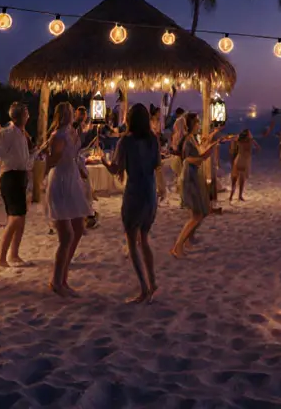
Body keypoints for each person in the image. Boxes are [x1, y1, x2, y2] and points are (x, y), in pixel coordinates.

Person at [102, 103, 160, 303]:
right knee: (144, 238)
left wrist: (103, 161)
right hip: (150, 193)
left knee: (132, 240)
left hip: (135, 193)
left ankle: (144, 288)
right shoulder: (153, 140)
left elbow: (115, 168)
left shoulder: (126, 141)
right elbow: (156, 164)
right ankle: (152, 282)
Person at [45, 102, 93, 296]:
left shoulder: (73, 133)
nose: (71, 115)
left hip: (72, 179)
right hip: (61, 182)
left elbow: (75, 155)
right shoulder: (58, 136)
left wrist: (81, 169)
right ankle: (57, 281)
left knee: (79, 228)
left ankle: (63, 275)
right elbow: (52, 161)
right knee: (66, 235)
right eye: (69, 113)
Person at [170, 113, 225, 258]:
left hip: (193, 176)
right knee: (197, 215)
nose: (199, 125)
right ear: (191, 125)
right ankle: (178, 246)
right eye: (197, 123)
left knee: (197, 213)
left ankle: (185, 242)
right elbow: (191, 159)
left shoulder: (192, 139)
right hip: (190, 178)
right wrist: (206, 155)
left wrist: (209, 145)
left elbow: (199, 151)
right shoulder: (188, 141)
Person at [0, 102, 34, 268]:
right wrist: (7, 162)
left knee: (20, 217)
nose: (28, 116)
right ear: (21, 116)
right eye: (27, 113)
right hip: (10, 175)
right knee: (15, 217)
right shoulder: (7, 133)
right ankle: (1, 256)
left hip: (20, 175)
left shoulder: (21, 134)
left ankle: (14, 253)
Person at [228, 129, 259, 202]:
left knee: (234, 179)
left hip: (238, 159)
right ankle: (240, 196)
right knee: (242, 180)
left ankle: (231, 196)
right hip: (245, 160)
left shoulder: (239, 140)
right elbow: (258, 148)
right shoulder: (250, 141)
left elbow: (232, 143)